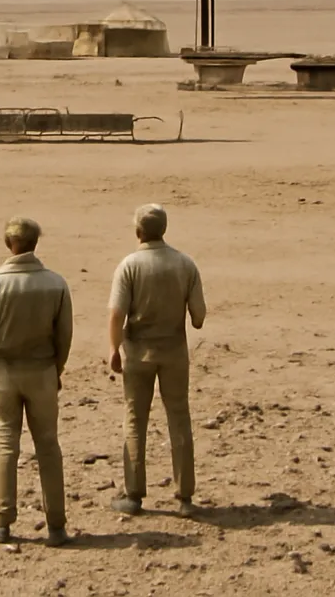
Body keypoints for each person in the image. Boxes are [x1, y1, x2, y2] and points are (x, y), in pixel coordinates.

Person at [0, 217, 73, 547]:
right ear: (35, 243)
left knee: (5, 446)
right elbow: (64, 335)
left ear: (8, 244)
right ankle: (56, 526)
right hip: (43, 371)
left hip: (4, 372)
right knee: (48, 446)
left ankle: (1, 521)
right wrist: (56, 369)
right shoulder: (56, 283)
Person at [107, 204, 205, 518]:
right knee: (179, 417)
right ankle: (185, 495)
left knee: (135, 420)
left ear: (138, 232)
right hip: (174, 351)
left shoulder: (129, 266)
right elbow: (199, 317)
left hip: (138, 352)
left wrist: (114, 348)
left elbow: (117, 314)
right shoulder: (185, 264)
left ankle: (134, 494)